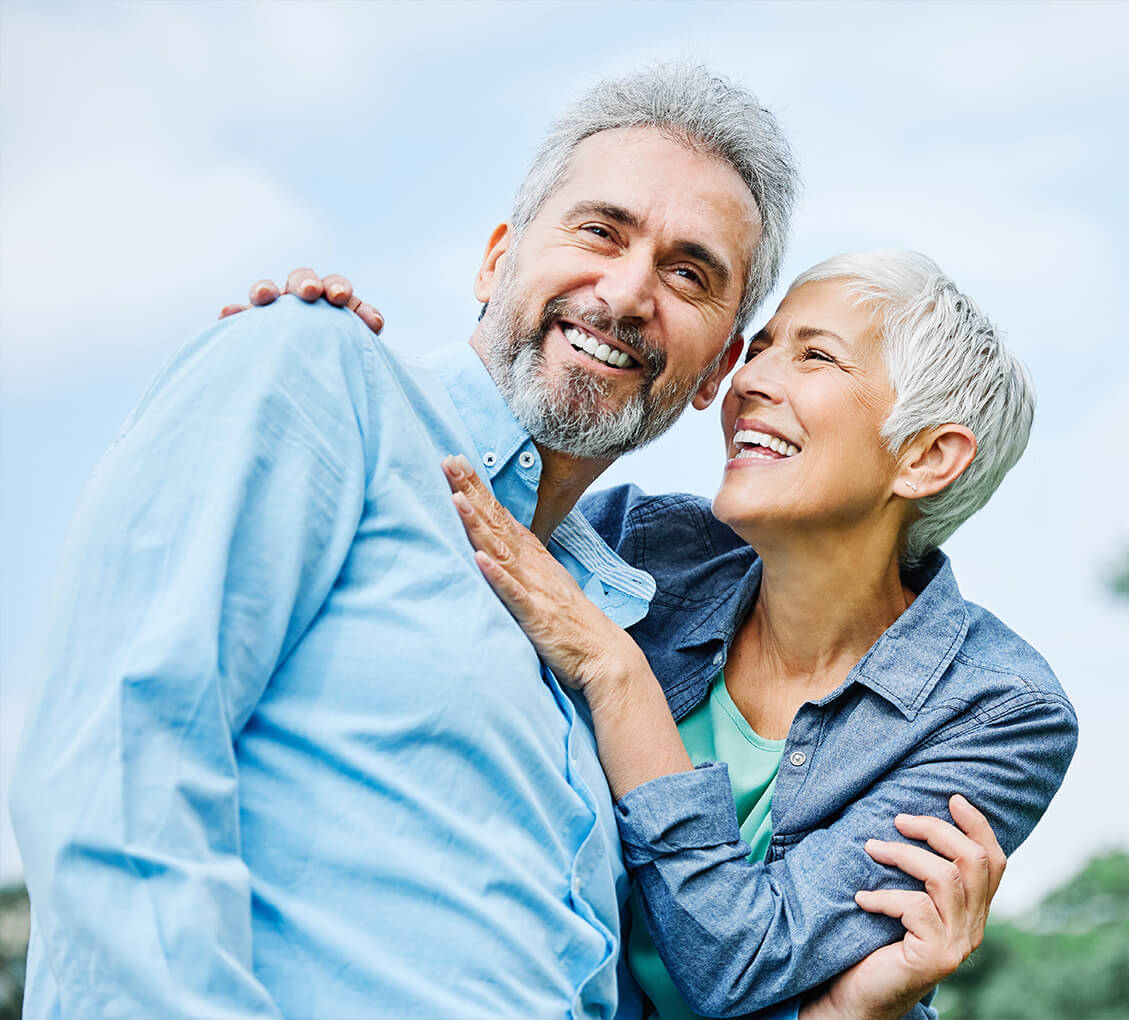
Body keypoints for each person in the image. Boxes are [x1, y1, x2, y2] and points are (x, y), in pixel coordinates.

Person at [10, 65, 1005, 1020]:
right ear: (496, 261)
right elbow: (120, 774)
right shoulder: (318, 375)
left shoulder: (615, 633)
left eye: (688, 274)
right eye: (599, 230)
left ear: (715, 374)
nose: (626, 293)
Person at [286, 251, 1077, 1020]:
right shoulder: (638, 542)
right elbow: (433, 527)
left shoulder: (999, 712)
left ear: (928, 457)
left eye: (816, 357)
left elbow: (736, 963)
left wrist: (616, 672)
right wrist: (329, 370)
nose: (749, 381)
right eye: (761, 348)